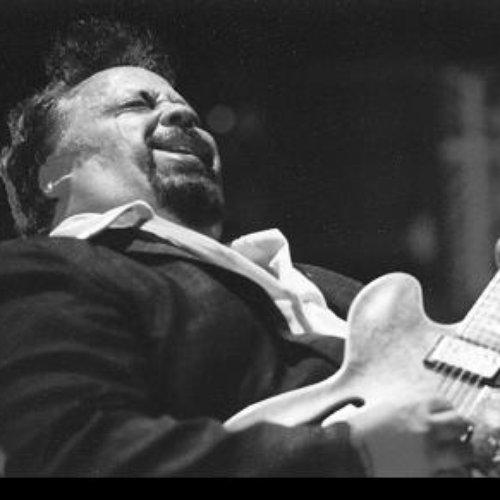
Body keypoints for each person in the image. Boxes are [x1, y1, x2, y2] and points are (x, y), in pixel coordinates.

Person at [0, 17, 474, 477]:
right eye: (135, 105)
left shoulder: (320, 284)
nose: (184, 115)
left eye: (184, 106)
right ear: (51, 173)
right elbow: (76, 454)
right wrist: (351, 454)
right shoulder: (47, 270)